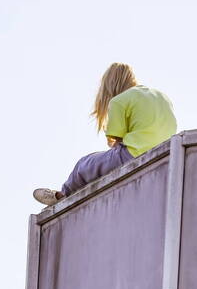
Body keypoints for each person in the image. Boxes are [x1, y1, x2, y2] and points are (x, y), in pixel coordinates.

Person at [33, 63, 177, 206]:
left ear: (109, 85)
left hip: (133, 155)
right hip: (166, 155)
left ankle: (61, 196)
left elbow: (116, 143)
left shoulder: (119, 101)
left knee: (83, 165)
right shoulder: (162, 96)